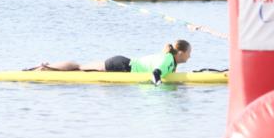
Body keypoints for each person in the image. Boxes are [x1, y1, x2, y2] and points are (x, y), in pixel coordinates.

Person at [28, 39, 192, 85]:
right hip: (122, 66)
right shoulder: (168, 60)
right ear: (181, 53)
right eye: (189, 54)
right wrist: (158, 88)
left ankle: (47, 67)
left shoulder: (170, 59)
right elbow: (156, 74)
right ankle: (45, 68)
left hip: (123, 63)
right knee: (79, 68)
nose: (189, 57)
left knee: (80, 67)